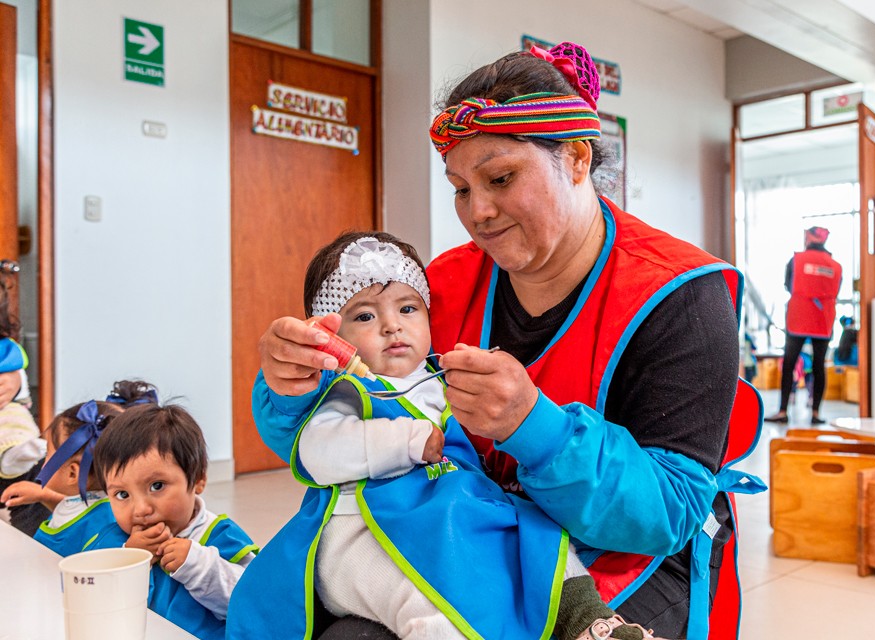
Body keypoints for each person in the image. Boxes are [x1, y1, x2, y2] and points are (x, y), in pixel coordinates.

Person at [252, 42, 764, 640]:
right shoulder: (437, 288)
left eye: (499, 178)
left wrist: (535, 428)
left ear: (575, 158)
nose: (479, 212)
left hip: (625, 556)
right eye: (461, 188)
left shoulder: (680, 296)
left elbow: (669, 513)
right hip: (476, 531)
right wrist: (291, 386)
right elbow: (339, 415)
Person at [229, 232, 660, 640]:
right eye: (364, 316)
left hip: (444, 514)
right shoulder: (347, 390)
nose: (392, 326)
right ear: (330, 337)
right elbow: (319, 452)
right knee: (428, 601)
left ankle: (589, 622)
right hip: (363, 531)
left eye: (408, 309)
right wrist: (407, 441)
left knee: (536, 535)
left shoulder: (439, 378)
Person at [89, 402, 258, 640]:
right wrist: (128, 558)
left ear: (198, 480)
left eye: (157, 486)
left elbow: (256, 605)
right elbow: (88, 595)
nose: (141, 509)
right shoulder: (114, 537)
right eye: (122, 495)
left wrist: (197, 564)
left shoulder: (221, 536)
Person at [0, 380, 158, 550]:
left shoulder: (107, 528)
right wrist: (44, 495)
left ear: (72, 474)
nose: (42, 462)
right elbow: (74, 516)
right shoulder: (91, 504)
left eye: (47, 454)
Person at [765, 226, 843, 425]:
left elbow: (787, 284)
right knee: (819, 366)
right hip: (823, 319)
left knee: (789, 363)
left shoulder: (796, 260)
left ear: (808, 239)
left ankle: (783, 411)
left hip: (799, 317)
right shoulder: (835, 266)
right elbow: (837, 290)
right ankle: (816, 413)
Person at [0, 281, 47, 534]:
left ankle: (18, 454)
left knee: (33, 472)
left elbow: (20, 394)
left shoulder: (8, 354)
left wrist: (16, 382)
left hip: (10, 427)